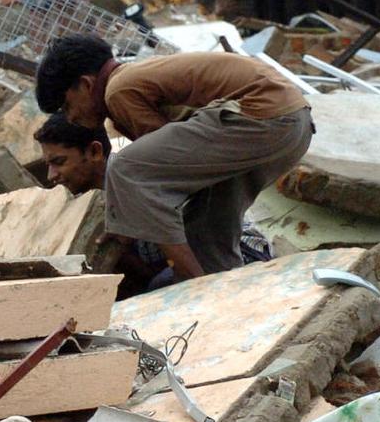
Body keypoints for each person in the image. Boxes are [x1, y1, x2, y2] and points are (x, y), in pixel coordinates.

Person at [35, 36, 311, 282]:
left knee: (124, 168)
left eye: (66, 106)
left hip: (261, 115)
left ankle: (195, 282)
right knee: (207, 223)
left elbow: (146, 175)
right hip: (292, 123)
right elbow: (172, 167)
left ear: (85, 84)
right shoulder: (133, 81)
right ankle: (224, 286)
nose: (69, 117)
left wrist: (124, 221)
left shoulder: (118, 89)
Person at [34, 112, 273, 294]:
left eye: (59, 162)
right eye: (49, 165)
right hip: (196, 262)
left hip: (241, 252)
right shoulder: (98, 199)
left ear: (95, 152)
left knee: (156, 292)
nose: (51, 176)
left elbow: (188, 270)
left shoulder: (134, 178)